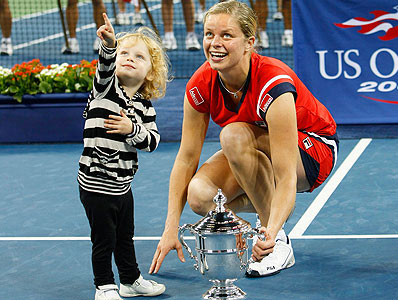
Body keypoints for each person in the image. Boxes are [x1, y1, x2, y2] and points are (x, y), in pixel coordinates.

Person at [149, 0, 338, 278]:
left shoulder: (274, 83)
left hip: (312, 150)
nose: (215, 43)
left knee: (233, 134)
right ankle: (250, 233)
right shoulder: (200, 85)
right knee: (200, 196)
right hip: (256, 150)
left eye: (227, 35)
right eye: (209, 34)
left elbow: (285, 176)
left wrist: (272, 231)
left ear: (249, 42)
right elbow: (186, 158)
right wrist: (170, 228)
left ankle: (276, 242)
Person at [78, 12, 169, 299]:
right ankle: (104, 285)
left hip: (123, 186)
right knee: (103, 239)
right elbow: (104, 67)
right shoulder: (105, 90)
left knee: (124, 237)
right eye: (123, 53)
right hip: (95, 184)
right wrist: (109, 45)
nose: (129, 57)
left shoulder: (145, 106)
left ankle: (130, 280)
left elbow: (152, 141)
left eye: (139, 57)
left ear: (150, 73)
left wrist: (132, 129)